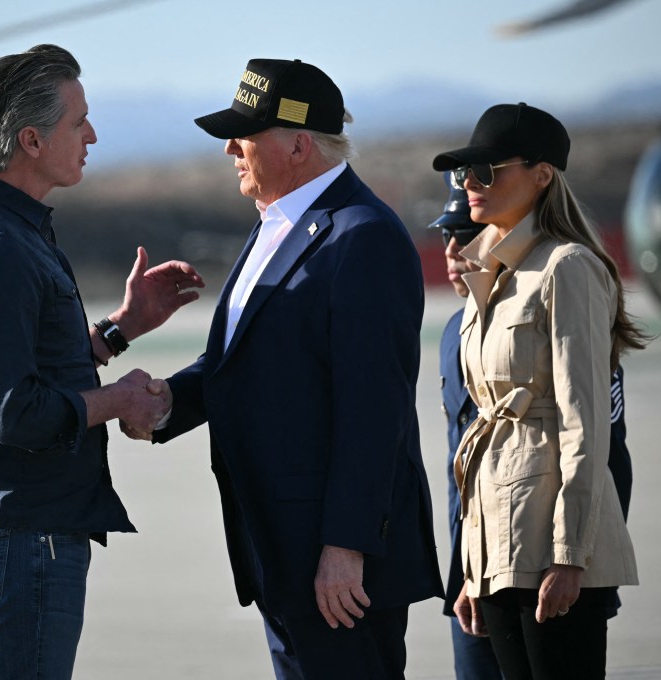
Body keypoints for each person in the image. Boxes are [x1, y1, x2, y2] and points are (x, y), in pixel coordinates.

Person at [130, 58, 444, 679]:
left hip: (335, 565)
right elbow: (249, 364)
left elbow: (372, 408)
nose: (229, 148)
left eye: (245, 133)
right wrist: (167, 403)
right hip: (281, 551)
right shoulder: (280, 223)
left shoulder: (363, 237)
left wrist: (346, 546)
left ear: (299, 144)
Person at [0, 44, 204, 680]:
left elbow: (22, 366)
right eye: (78, 122)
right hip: (17, 536)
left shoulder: (0, 228)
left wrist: (119, 330)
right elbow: (16, 412)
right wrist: (120, 400)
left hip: (3, 530)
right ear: (30, 139)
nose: (92, 135)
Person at [431, 102, 647, 680]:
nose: (470, 185)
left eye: (486, 171)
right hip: (495, 545)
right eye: (462, 174)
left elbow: (586, 423)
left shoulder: (568, 268)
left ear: (542, 173)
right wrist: (472, 569)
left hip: (551, 544)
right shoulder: (489, 275)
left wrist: (570, 554)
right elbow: (484, 427)